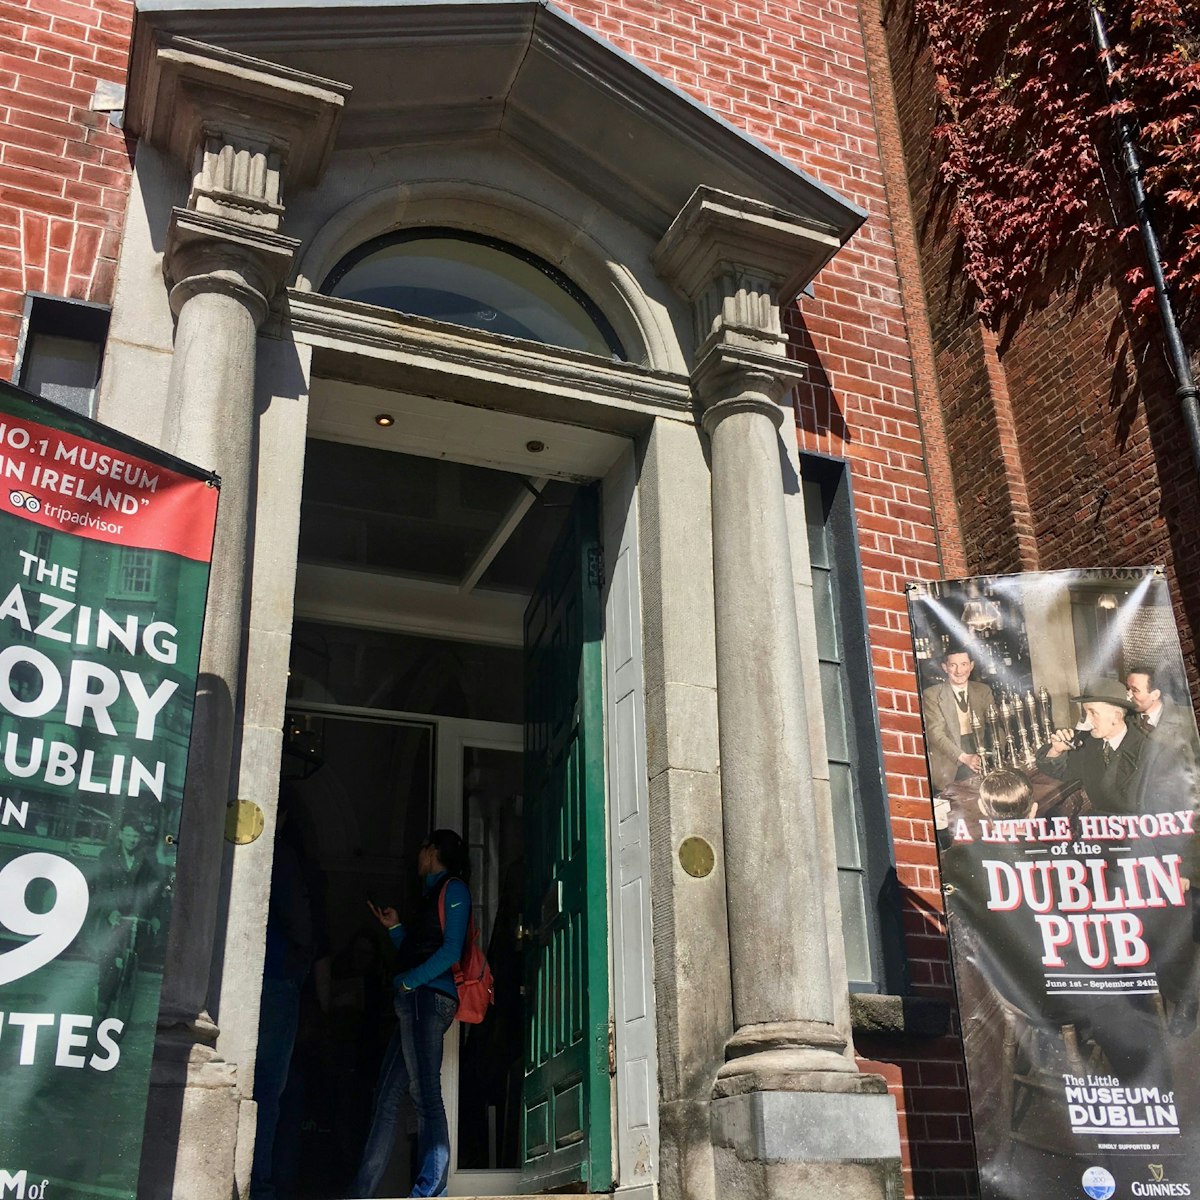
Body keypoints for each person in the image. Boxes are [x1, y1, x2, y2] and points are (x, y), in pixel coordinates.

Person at [352, 830, 471, 1199]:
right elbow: (418, 951)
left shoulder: (454, 890)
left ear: (433, 851)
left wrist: (409, 983)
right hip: (415, 999)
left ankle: (430, 1192)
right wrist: (396, 928)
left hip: (427, 1000)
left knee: (426, 1096)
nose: (417, 854)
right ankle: (361, 1192)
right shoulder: (429, 895)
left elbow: (451, 952)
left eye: (421, 847)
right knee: (386, 1099)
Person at [1037, 678, 1147, 814]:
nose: (1087, 721)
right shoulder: (1088, 744)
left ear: (1116, 717)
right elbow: (1061, 771)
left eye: (1093, 713)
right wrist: (1056, 750)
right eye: (1085, 713)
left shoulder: (1148, 750)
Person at [90, 818, 162, 1013]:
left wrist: (154, 916)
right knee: (110, 954)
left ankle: (124, 994)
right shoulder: (107, 856)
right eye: (129, 835)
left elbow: (152, 889)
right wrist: (111, 911)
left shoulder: (147, 858)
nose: (132, 840)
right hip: (112, 913)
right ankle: (103, 999)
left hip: (135, 914)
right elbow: (103, 887)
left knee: (132, 956)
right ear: (120, 835)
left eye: (136, 836)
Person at [922, 645, 995, 792]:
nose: (959, 671)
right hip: (950, 758)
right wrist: (963, 757)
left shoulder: (983, 690)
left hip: (980, 751)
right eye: (953, 665)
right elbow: (936, 734)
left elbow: (995, 726)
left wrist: (996, 752)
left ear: (971, 665)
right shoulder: (932, 694)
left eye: (964, 664)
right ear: (944, 667)